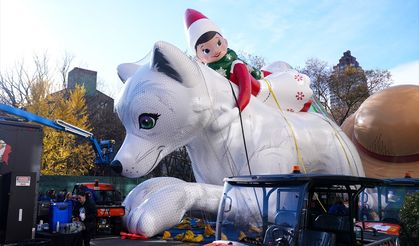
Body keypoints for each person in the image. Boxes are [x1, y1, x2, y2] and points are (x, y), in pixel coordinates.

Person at [184, 9, 312, 114]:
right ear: (199, 57)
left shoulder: (236, 65)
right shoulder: (209, 76)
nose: (215, 50)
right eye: (206, 50)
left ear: (225, 42)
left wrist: (237, 109)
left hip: (263, 87)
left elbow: (250, 88)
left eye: (218, 43)